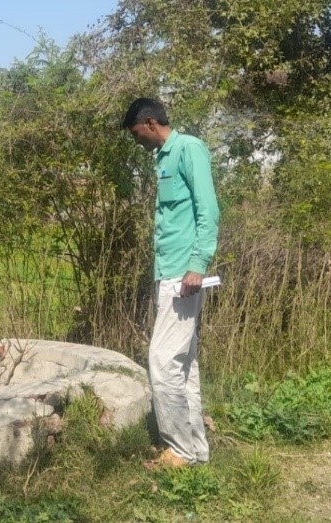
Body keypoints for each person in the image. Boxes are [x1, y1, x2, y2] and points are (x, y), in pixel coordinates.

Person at [122, 98, 220, 469]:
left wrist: (197, 265)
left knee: (162, 361)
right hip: (170, 273)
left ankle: (179, 451)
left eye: (136, 133)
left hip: (184, 275)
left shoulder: (188, 149)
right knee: (182, 365)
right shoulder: (163, 158)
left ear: (149, 123)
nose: (136, 141)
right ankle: (195, 452)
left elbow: (207, 210)